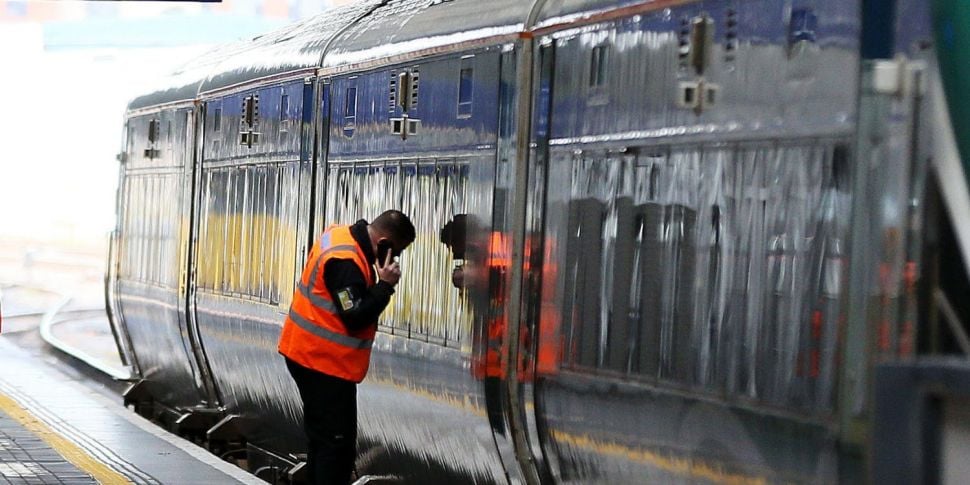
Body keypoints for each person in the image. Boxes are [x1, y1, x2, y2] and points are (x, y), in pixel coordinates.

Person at [278, 210, 416, 485]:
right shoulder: (346, 262)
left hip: (311, 356)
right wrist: (385, 286)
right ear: (385, 243)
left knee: (322, 442)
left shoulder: (340, 236)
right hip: (322, 362)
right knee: (336, 447)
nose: (394, 258)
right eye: (395, 252)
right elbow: (355, 316)